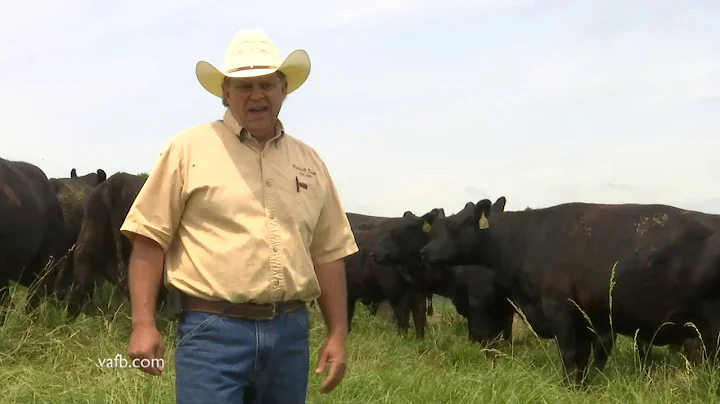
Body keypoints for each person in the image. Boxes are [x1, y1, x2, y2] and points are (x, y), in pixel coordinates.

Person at [120, 28, 359, 404]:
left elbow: (328, 252)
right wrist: (143, 325)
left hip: (290, 333)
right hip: (213, 330)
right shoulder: (188, 149)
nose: (257, 94)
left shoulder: (310, 162)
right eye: (244, 86)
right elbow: (150, 239)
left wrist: (338, 334)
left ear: (284, 89)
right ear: (225, 93)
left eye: (267, 83)